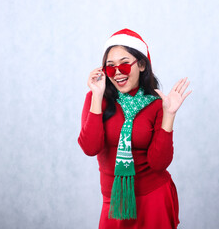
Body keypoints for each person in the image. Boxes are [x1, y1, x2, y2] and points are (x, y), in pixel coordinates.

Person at [78, 28, 191, 229]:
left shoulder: (156, 104)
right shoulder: (96, 99)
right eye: (110, 67)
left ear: (140, 64)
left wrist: (169, 114)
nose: (118, 72)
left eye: (124, 64)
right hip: (114, 200)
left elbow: (159, 163)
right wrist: (96, 95)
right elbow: (90, 147)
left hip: (153, 197)